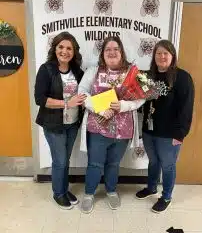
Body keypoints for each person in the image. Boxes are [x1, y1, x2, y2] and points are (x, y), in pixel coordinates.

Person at [78, 36, 145, 214]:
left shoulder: (132, 73)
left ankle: (111, 190)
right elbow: (82, 93)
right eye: (108, 49)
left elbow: (140, 98)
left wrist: (123, 105)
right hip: (98, 127)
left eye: (116, 49)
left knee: (114, 163)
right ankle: (89, 194)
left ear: (121, 52)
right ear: (103, 53)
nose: (112, 52)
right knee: (95, 163)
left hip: (123, 130)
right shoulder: (93, 71)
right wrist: (100, 109)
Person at [136, 39, 194, 213]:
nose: (162, 56)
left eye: (165, 53)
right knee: (153, 162)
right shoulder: (147, 76)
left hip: (170, 134)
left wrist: (180, 134)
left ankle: (166, 196)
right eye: (158, 53)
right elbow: (139, 99)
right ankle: (151, 187)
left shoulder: (182, 77)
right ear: (154, 56)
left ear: (172, 56)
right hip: (149, 130)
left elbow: (187, 108)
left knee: (168, 165)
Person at [34, 31, 86, 210]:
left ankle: (64, 189)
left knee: (65, 160)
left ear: (74, 51)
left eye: (69, 48)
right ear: (55, 49)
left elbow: (84, 93)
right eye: (61, 47)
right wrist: (67, 103)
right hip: (53, 124)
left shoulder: (78, 72)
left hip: (72, 123)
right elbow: (40, 99)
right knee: (60, 161)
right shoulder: (46, 69)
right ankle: (58, 193)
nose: (65, 51)